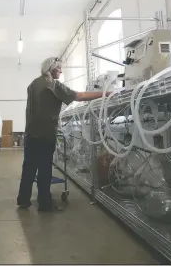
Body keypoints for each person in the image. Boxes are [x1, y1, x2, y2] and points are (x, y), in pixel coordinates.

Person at [17, 56, 109, 212]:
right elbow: (79, 96)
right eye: (59, 69)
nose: (61, 71)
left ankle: (23, 199)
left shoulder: (34, 84)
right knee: (45, 168)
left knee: (29, 168)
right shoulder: (53, 85)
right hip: (45, 135)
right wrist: (106, 93)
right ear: (52, 69)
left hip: (31, 134)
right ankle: (45, 204)